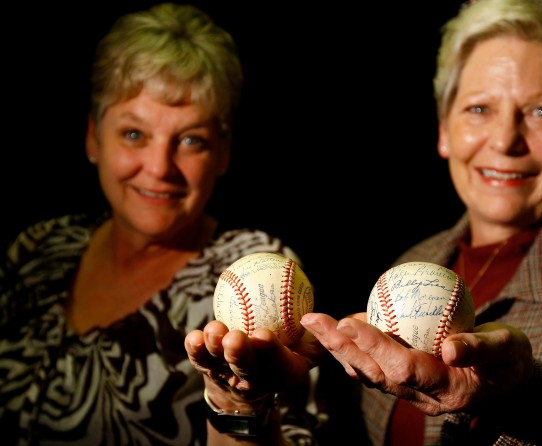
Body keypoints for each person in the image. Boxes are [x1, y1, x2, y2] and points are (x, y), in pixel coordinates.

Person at [299, 0, 542, 444]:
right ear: (444, 130)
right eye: (479, 109)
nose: (506, 140)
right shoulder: (415, 262)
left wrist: (523, 402)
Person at [0, 3, 319, 445]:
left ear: (223, 154)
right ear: (94, 137)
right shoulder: (40, 248)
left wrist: (240, 406)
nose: (159, 167)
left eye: (191, 140)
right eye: (134, 134)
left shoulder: (257, 270)